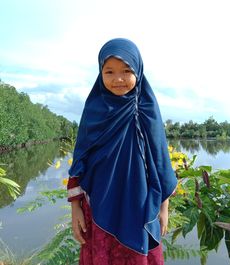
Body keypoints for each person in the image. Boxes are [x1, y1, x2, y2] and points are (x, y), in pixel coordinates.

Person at [67, 38, 177, 265]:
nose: (118, 79)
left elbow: (160, 162)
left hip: (139, 206)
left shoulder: (147, 111)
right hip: (98, 208)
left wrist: (164, 208)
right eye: (109, 72)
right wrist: (75, 209)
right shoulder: (94, 112)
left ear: (138, 71)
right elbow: (80, 161)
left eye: (126, 70)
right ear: (100, 73)